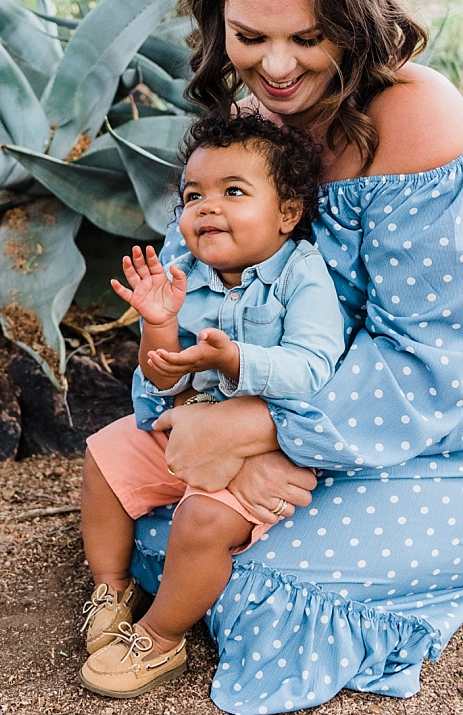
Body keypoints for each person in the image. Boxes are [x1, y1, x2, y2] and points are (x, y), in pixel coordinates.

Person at [81, 0, 463, 713]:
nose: (278, 68)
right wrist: (201, 402)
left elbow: (432, 364)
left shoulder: (420, 115)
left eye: (311, 37)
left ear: (359, 17)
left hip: (419, 439)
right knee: (138, 488)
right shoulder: (255, 123)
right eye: (251, 37)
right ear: (218, 20)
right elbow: (221, 300)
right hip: (284, 400)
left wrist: (258, 431)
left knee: (243, 573)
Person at [79, 111, 344, 698]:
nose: (206, 207)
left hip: (265, 445)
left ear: (287, 213)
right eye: (193, 195)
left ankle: (161, 635)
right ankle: (111, 585)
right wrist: (160, 324)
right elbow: (160, 383)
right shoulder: (187, 276)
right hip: (188, 430)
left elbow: (312, 368)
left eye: (233, 192)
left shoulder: (303, 277)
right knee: (106, 453)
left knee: (202, 522)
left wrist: (233, 362)